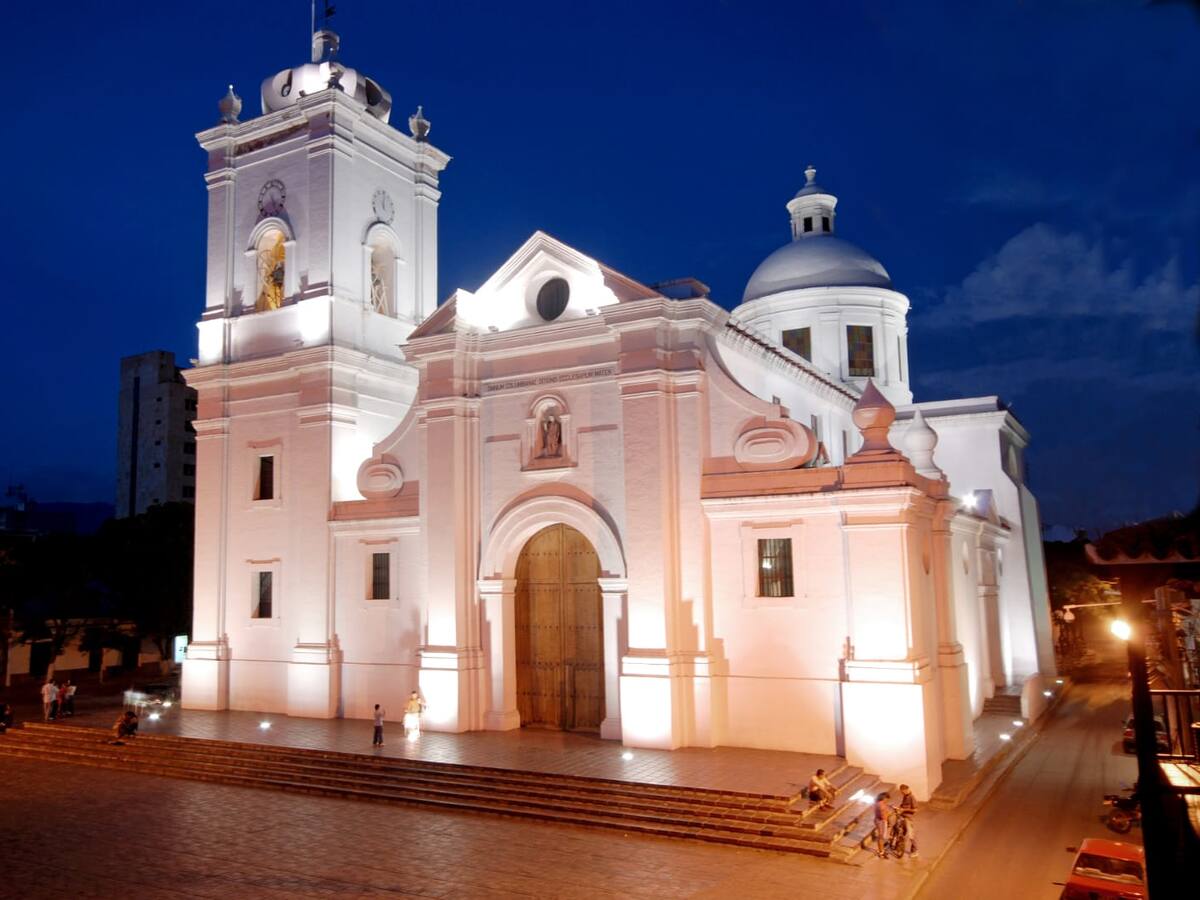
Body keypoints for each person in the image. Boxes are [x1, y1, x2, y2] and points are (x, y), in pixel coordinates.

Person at [897, 784, 918, 857]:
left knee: (911, 835)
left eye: (902, 792)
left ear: (905, 790)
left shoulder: (912, 797)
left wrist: (904, 809)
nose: (901, 793)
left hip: (908, 818)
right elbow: (903, 805)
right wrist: (899, 807)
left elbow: (915, 810)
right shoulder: (905, 796)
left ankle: (915, 851)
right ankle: (900, 846)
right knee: (902, 832)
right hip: (903, 816)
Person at [873, 791, 892, 858]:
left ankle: (881, 850)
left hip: (878, 820)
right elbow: (883, 816)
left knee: (881, 836)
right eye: (887, 799)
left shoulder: (879, 803)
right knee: (881, 837)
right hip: (881, 822)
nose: (887, 801)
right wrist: (889, 814)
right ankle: (881, 852)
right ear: (884, 798)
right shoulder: (881, 805)